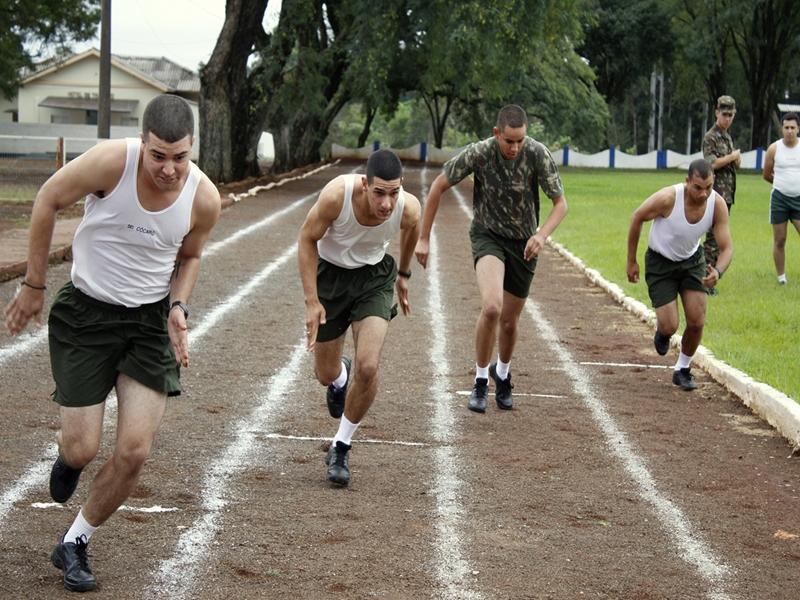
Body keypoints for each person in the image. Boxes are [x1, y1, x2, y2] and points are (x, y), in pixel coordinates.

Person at [3, 94, 221, 592]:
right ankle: (69, 458)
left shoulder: (204, 198)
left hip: (145, 325)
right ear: (142, 143)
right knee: (83, 448)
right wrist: (35, 285)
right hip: (86, 315)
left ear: (193, 149)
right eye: (159, 156)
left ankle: (75, 542)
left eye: (181, 157)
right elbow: (47, 200)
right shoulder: (111, 163)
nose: (169, 169)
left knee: (135, 450)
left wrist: (178, 307)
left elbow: (190, 257)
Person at [414, 104, 567, 413]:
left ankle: (503, 373)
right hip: (488, 235)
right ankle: (481, 380)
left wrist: (541, 235)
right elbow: (437, 188)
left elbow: (560, 204)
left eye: (520, 141)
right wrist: (423, 238)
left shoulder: (536, 153)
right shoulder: (480, 152)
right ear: (497, 133)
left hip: (524, 242)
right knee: (493, 307)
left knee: (509, 323)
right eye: (509, 140)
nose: (515, 147)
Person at [298, 149, 420, 486]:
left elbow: (412, 227)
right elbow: (307, 238)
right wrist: (312, 300)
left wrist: (404, 273)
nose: (386, 204)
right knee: (324, 374)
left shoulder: (406, 207)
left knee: (368, 366)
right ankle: (340, 378)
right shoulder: (337, 196)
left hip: (374, 280)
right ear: (365, 184)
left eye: (394, 193)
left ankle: (341, 445)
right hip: (331, 278)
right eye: (379, 192)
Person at [626, 158, 732, 392]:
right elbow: (637, 217)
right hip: (660, 263)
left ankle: (682, 370)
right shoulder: (668, 198)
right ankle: (663, 332)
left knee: (697, 321)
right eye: (697, 187)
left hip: (692, 262)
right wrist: (631, 261)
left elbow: (727, 248)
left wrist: (719, 271)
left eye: (708, 187)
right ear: (687, 182)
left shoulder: (717, 204)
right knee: (670, 325)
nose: (703, 194)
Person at [702, 95, 740, 294]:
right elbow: (711, 164)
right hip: (715, 193)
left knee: (717, 239)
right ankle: (705, 278)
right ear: (717, 113)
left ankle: (708, 277)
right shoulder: (712, 136)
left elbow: (732, 164)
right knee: (713, 239)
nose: (727, 118)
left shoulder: (726, 136)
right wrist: (732, 157)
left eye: (730, 115)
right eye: (724, 114)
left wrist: (735, 160)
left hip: (727, 194)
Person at [762, 112, 800, 284]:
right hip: (779, 199)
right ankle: (782, 278)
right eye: (786, 128)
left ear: (798, 129)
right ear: (782, 128)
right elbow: (767, 174)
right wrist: (782, 184)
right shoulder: (774, 148)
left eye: (793, 128)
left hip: (798, 199)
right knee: (780, 239)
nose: (789, 131)